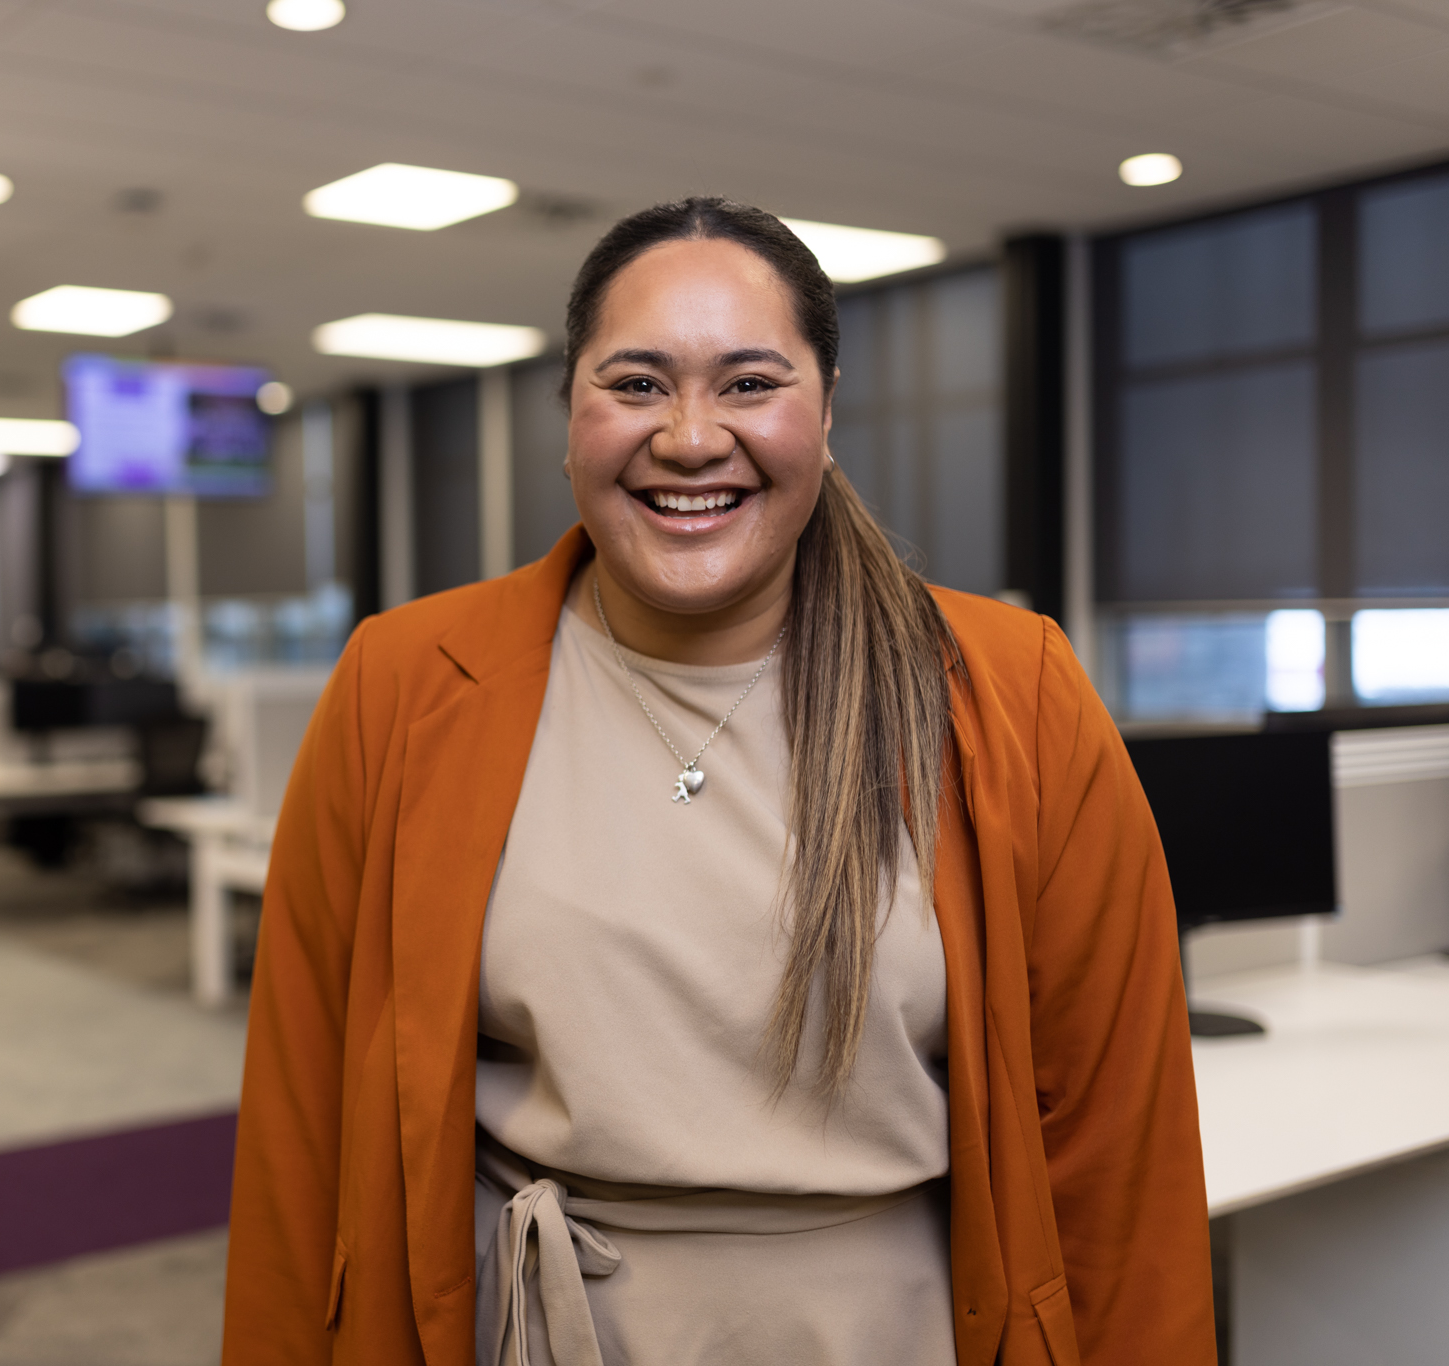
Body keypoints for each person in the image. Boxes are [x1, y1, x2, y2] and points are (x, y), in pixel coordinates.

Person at [223, 198, 1212, 1365]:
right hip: (538, 1330)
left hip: (883, 1331)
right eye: (634, 383)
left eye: (749, 383)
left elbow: (1118, 1153)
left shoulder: (1009, 695)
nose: (690, 437)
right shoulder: (403, 684)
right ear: (568, 414)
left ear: (827, 410)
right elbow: (300, 1133)